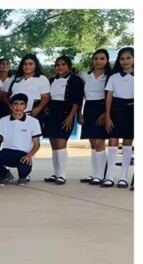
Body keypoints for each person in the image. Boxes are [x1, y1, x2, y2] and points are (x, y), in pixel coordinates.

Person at [43, 56, 85, 185]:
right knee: (54, 146)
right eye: (57, 65)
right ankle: (56, 173)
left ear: (69, 66)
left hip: (65, 113)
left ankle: (62, 174)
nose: (60, 67)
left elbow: (77, 100)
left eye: (63, 64)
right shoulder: (51, 80)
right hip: (52, 114)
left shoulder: (75, 80)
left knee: (61, 144)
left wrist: (71, 116)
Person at [0, 93, 42, 186]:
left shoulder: (33, 121)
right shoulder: (3, 120)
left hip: (23, 155)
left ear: (25, 106)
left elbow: (37, 144)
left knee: (24, 168)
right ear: (10, 106)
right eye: (15, 104)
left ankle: (23, 177)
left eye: (21, 104)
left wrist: (29, 155)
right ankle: (5, 175)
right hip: (7, 152)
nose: (18, 107)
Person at [78, 49, 112, 185]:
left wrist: (105, 114)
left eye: (102, 58)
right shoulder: (84, 75)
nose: (98, 61)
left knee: (99, 142)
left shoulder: (110, 76)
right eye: (96, 58)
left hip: (103, 108)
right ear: (92, 60)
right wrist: (79, 113)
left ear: (107, 60)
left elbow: (112, 97)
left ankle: (101, 175)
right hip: (88, 108)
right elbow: (80, 96)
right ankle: (94, 174)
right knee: (93, 143)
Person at [103, 47, 134, 188]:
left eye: (128, 58)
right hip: (116, 109)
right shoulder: (114, 77)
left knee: (128, 142)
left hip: (132, 109)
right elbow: (109, 98)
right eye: (122, 58)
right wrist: (108, 116)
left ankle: (123, 177)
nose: (125, 61)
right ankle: (109, 176)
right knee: (113, 141)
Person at [2, 54, 50, 130]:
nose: (27, 66)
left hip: (33, 115)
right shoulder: (14, 78)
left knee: (32, 137)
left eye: (30, 64)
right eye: (25, 64)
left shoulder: (42, 78)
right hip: (14, 115)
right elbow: (4, 95)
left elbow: (46, 97)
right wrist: (10, 106)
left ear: (35, 65)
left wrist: (38, 109)